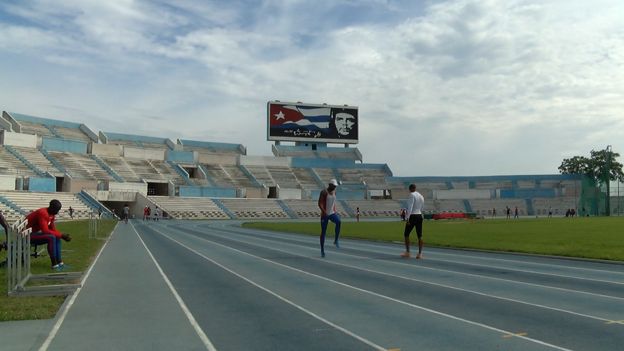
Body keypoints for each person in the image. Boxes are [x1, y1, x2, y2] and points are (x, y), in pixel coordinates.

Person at [26, 199, 72, 270]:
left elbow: (53, 229)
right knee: (51, 237)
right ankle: (54, 265)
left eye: (58, 210)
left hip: (33, 233)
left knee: (56, 237)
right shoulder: (43, 213)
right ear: (51, 207)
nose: (57, 212)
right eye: (56, 210)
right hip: (25, 235)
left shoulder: (51, 214)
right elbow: (45, 230)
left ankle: (60, 263)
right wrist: (62, 235)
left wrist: (61, 235)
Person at [317, 179, 341, 257]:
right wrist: (324, 211)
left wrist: (335, 211)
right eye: (333, 186)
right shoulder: (323, 192)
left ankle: (336, 240)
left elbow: (333, 203)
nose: (335, 187)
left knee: (339, 222)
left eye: (335, 186)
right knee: (323, 232)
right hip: (325, 214)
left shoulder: (335, 191)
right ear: (330, 185)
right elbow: (319, 203)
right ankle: (322, 250)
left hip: (332, 213)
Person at [401, 184, 425, 259]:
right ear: (415, 188)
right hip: (419, 215)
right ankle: (420, 254)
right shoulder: (421, 196)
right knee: (419, 235)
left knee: (406, 234)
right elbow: (422, 207)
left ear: (410, 189)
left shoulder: (412, 195)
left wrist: (407, 218)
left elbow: (410, 207)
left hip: (412, 216)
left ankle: (408, 252)